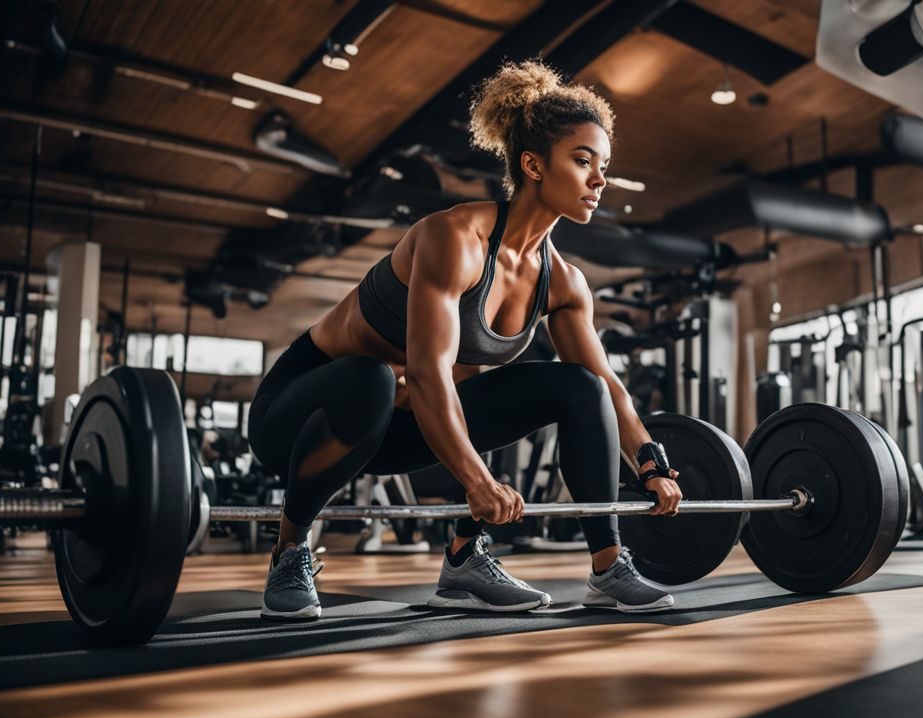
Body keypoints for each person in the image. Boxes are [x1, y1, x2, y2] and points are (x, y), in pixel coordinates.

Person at [246, 60, 684, 620]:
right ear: (532, 164)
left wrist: (649, 462)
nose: (600, 180)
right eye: (582, 161)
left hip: (403, 430)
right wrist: (479, 482)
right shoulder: (453, 237)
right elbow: (429, 371)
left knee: (578, 387)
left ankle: (577, 564)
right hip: (302, 421)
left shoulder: (566, 283)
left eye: (604, 166)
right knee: (372, 375)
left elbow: (607, 387)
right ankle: (289, 549)